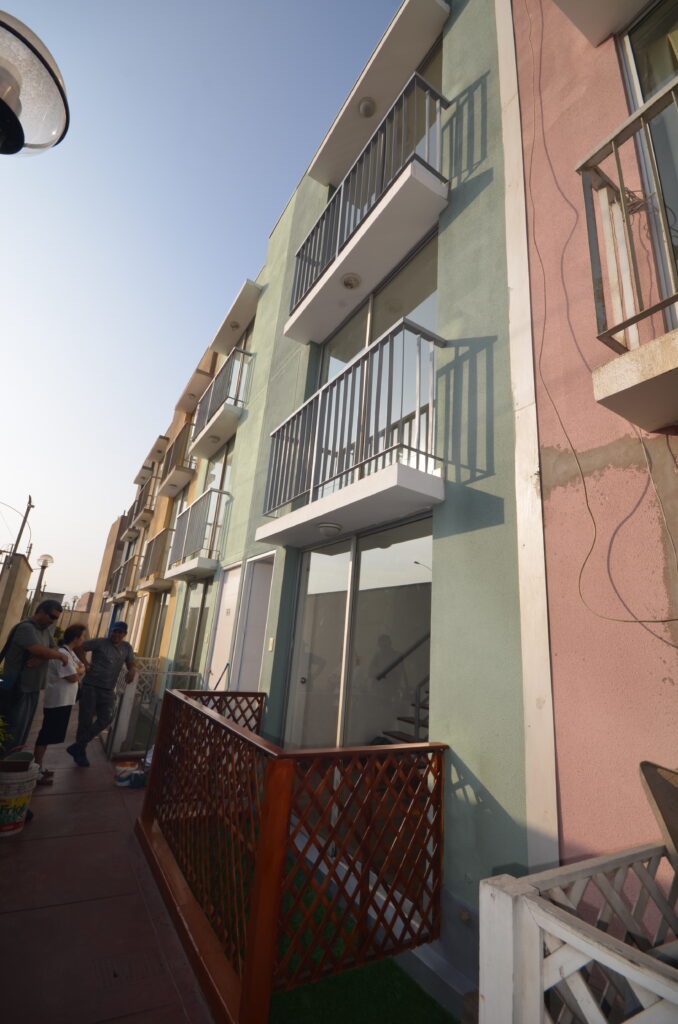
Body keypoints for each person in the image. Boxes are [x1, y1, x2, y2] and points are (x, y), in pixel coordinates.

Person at [67, 620, 136, 767]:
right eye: (115, 631)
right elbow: (78, 647)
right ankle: (80, 753)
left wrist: (132, 670)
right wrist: (85, 663)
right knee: (85, 720)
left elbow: (131, 662)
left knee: (106, 718)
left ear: (124, 634)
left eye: (120, 632)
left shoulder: (126, 647)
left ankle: (78, 745)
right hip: (91, 686)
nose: (116, 634)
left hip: (108, 689)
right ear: (111, 631)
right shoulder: (99, 642)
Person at [1, 599, 68, 750]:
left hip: (32, 687)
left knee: (21, 732)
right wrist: (58, 656)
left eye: (56, 618)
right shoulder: (26, 628)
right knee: (12, 730)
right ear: (41, 612)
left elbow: (53, 648)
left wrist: (42, 657)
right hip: (18, 687)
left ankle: (13, 759)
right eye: (52, 616)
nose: (53, 621)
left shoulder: (44, 630)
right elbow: (40, 650)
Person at [33, 624, 87, 784]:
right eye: (82, 636)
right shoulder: (62, 654)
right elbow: (72, 677)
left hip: (65, 700)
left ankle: (40, 767)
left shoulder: (70, 653)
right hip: (57, 701)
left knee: (50, 734)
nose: (83, 639)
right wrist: (79, 671)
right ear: (76, 638)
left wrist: (79, 670)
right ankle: (36, 769)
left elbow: (82, 667)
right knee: (46, 734)